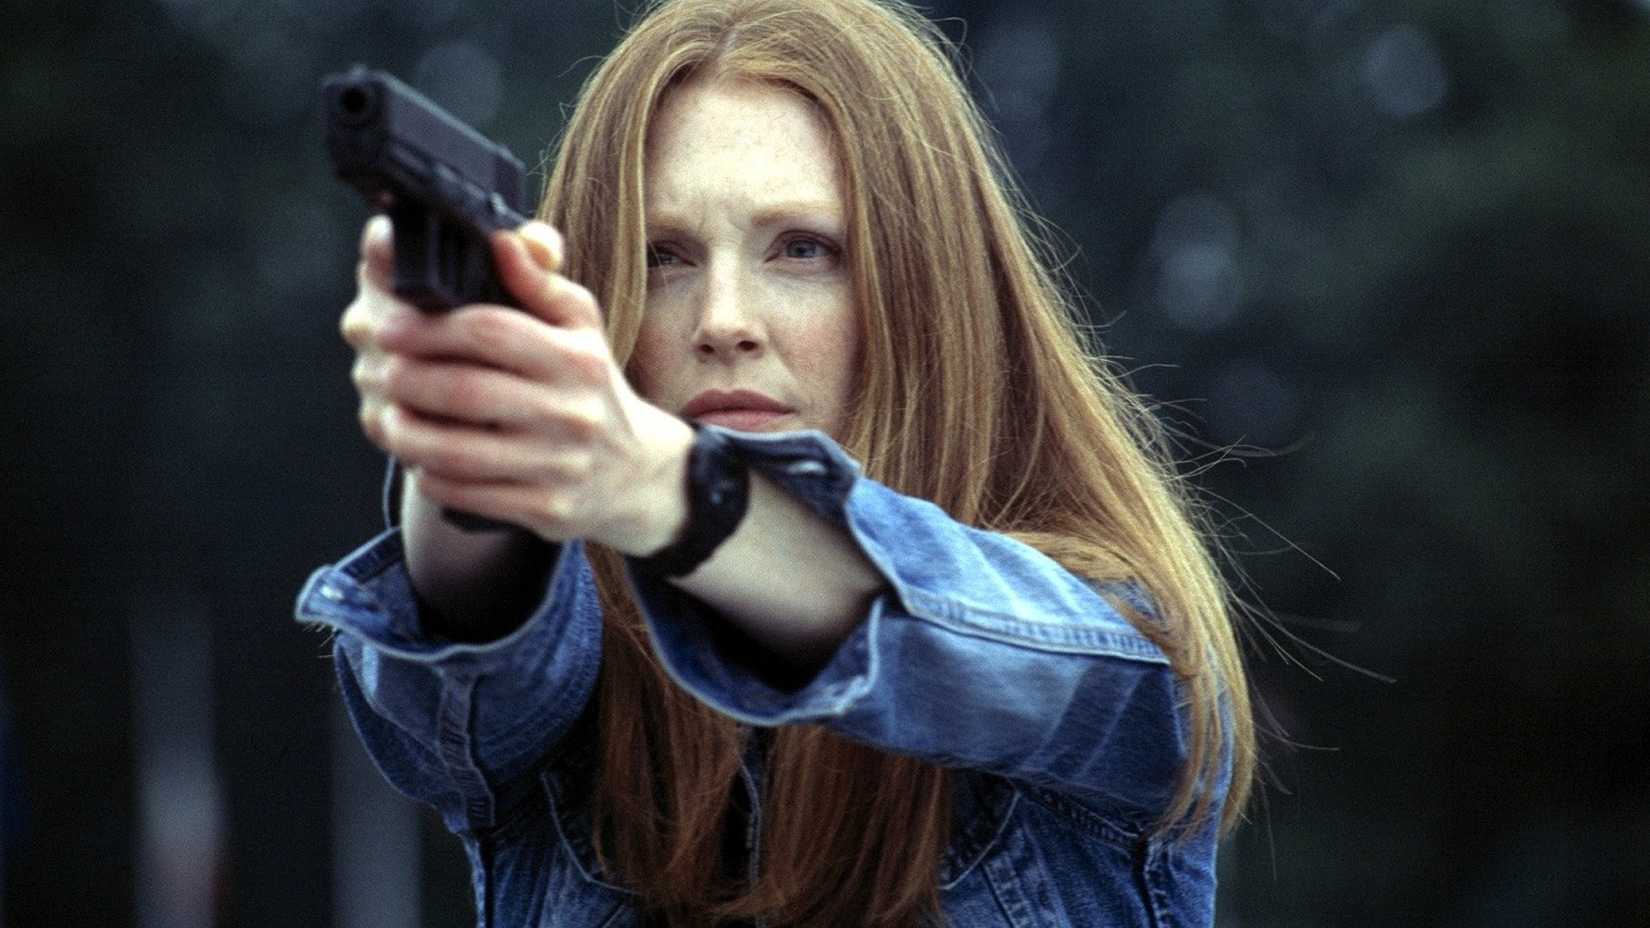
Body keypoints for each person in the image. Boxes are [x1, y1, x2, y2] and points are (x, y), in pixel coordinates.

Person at [296, 0, 1256, 924]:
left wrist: (656, 484)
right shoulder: (577, 670)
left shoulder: (1121, 645)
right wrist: (469, 440)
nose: (723, 321)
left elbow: (953, 639)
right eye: (664, 256)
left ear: (926, 288)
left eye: (801, 249)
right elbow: (472, 670)